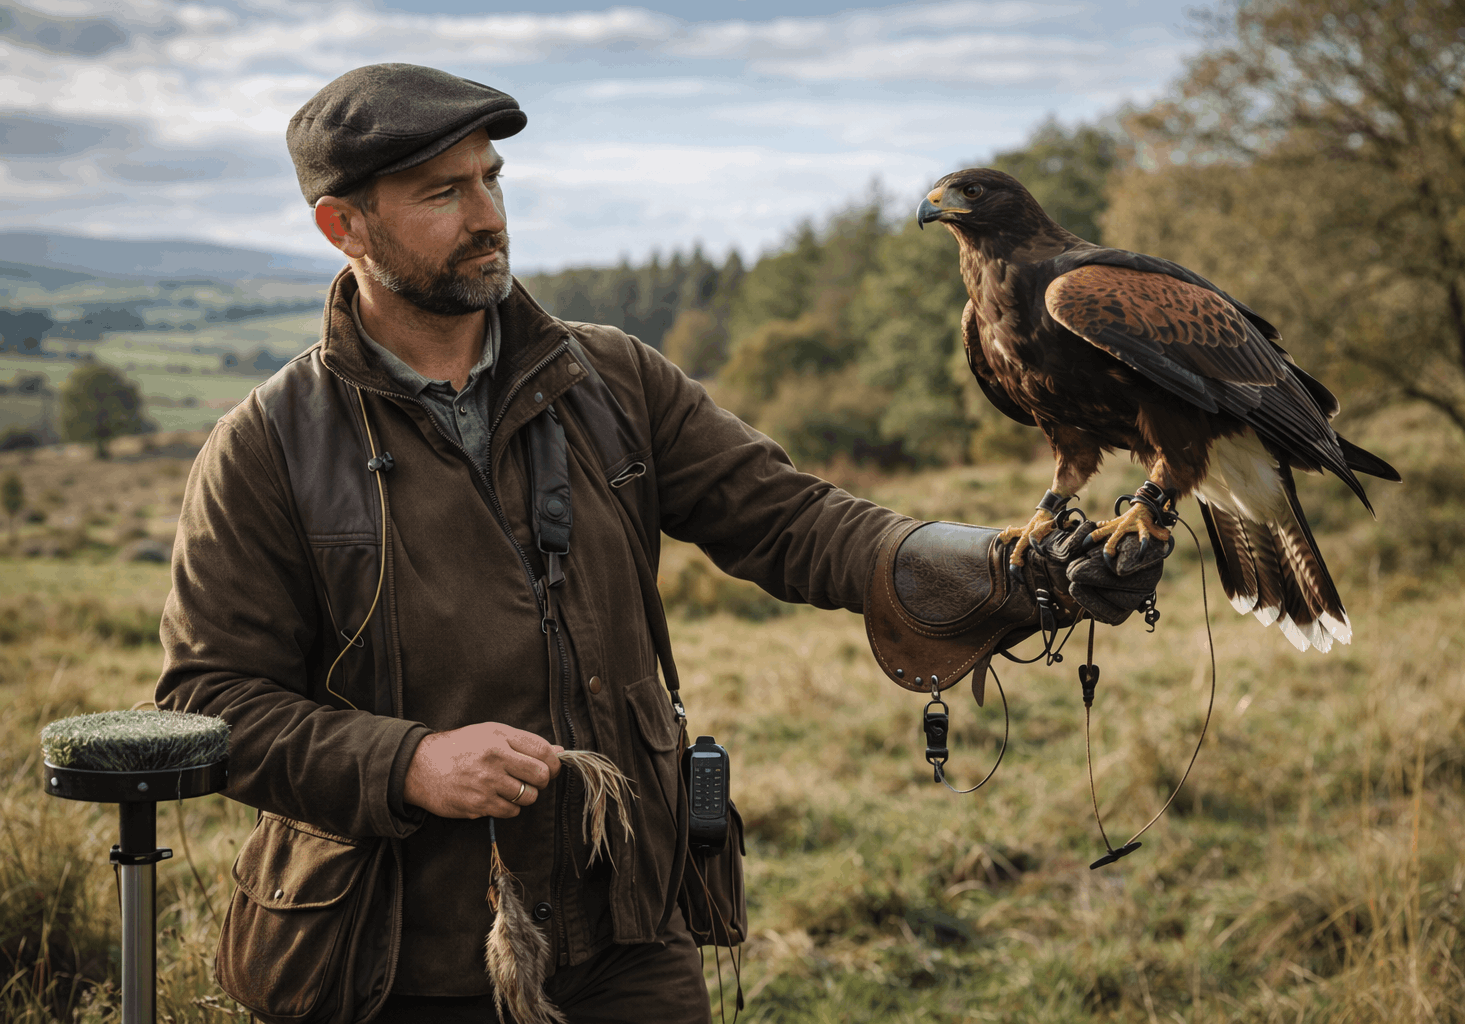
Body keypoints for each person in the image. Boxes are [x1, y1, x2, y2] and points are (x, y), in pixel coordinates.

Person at [157, 64, 1163, 1024]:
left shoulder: (610, 379)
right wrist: (405, 761)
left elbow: (792, 518)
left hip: (631, 932)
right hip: (393, 958)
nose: (488, 217)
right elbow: (209, 702)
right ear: (343, 225)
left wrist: (1013, 566)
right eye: (441, 193)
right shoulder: (266, 445)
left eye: (492, 179)